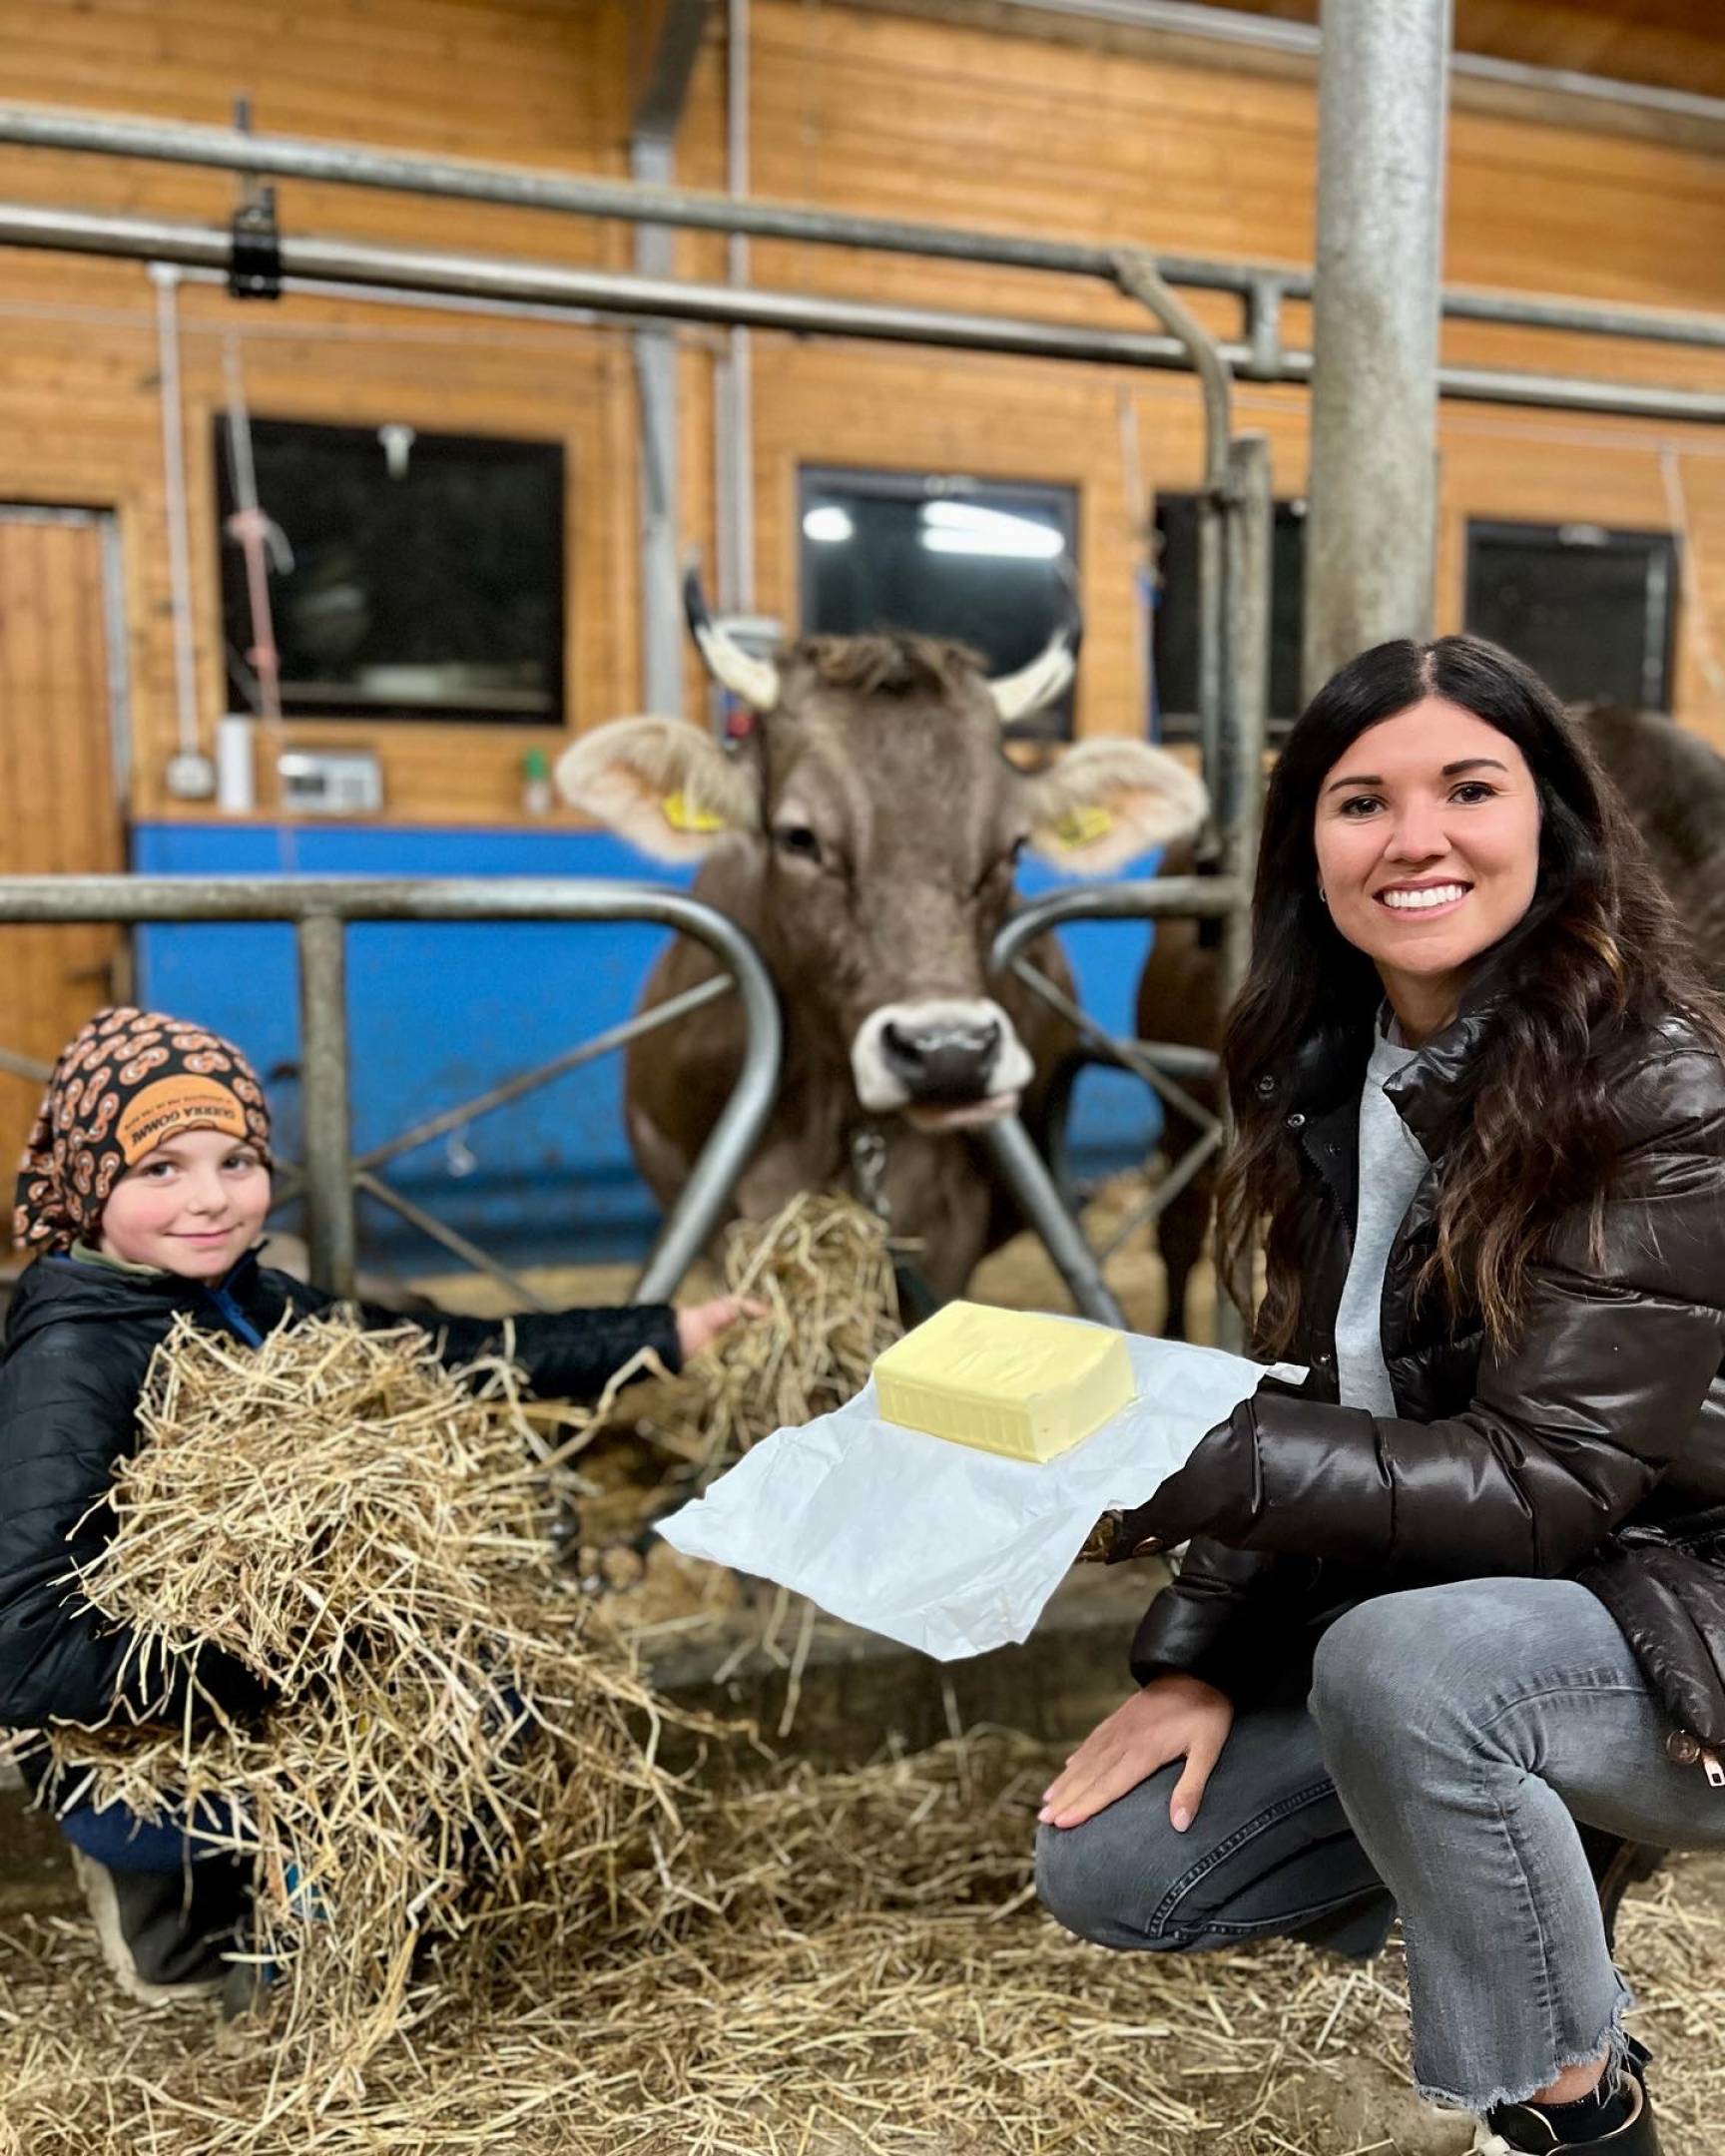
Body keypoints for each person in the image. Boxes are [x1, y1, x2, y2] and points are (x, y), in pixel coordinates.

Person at [1034, 637, 1725, 2155]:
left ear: (1551, 823)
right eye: (1362, 803)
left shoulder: (1655, 1084)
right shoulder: (1330, 1071)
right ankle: (1552, 1907)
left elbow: (1544, 1481)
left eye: (1468, 789)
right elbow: (1329, 1383)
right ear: (1310, 851)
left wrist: (1183, 1455)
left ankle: (1567, 2113)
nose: (1415, 838)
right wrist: (1198, 1652)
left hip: (1693, 1615)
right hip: (1554, 1606)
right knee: (1123, 1865)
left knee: (1410, 1669)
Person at [0, 1005, 756, 2008]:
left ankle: (306, 1921)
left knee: (497, 1691)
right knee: (403, 1752)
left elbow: (437, 1356)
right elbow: (20, 1643)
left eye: (237, 1160)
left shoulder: (245, 1299)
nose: (211, 1199)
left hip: (278, 1677)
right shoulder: (74, 1360)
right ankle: (199, 1933)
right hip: (149, 1732)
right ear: (92, 1179)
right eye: (159, 1170)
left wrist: (663, 1333)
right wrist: (275, 1668)